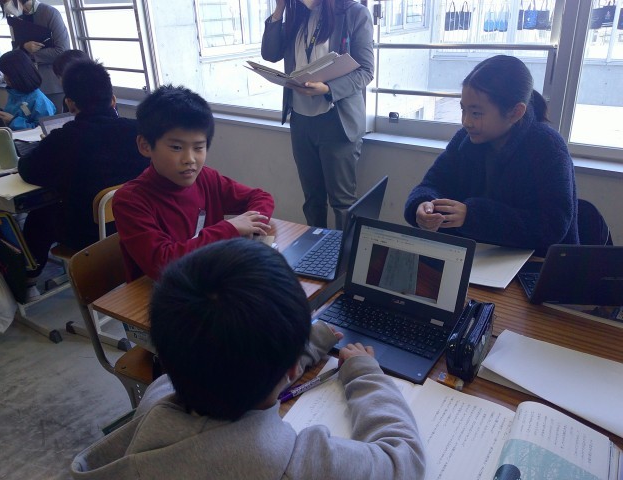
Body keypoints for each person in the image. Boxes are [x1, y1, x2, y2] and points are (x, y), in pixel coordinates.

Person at [70, 238, 426, 479]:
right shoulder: (290, 463)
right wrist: (365, 374)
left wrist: (304, 345)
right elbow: (403, 461)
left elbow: (228, 359)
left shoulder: (158, 395)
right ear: (290, 369)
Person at [404, 55, 578, 256]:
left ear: (515, 112)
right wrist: (423, 205)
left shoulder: (547, 147)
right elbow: (432, 183)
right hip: (477, 256)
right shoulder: (465, 139)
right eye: (463, 109)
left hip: (536, 263)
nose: (466, 122)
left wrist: (472, 216)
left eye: (476, 113)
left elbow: (552, 226)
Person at [113, 85, 275, 282]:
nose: (189, 159)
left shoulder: (206, 178)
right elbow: (163, 263)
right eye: (176, 147)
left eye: (198, 148)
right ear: (145, 146)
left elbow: (261, 197)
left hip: (211, 278)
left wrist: (252, 226)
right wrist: (229, 229)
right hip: (165, 291)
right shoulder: (130, 201)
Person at [17, 60, 149, 298]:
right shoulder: (140, 132)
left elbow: (27, 170)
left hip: (88, 237)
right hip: (139, 224)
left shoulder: (63, 139)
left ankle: (27, 283)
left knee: (40, 214)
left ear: (70, 103)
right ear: (113, 99)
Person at [261, 0, 374, 230]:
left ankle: (344, 253)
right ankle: (315, 250)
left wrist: (328, 89)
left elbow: (366, 71)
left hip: (337, 121)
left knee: (342, 203)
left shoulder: (354, 13)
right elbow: (270, 54)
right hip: (301, 121)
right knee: (312, 200)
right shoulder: (297, 14)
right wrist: (279, 10)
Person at [0, 0, 70, 110]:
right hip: (27, 84)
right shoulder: (15, 18)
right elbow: (15, 51)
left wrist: (31, 54)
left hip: (52, 83)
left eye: (5, 1)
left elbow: (62, 50)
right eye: (1, 4)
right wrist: (24, 48)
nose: (5, 6)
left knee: (54, 118)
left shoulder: (49, 12)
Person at [0, 48, 55, 130]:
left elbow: (43, 130)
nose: (4, 78)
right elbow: (15, 114)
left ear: (19, 74)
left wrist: (12, 121)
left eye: (7, 74)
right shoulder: (15, 93)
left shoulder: (40, 101)